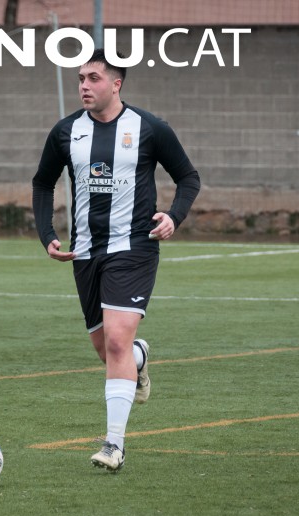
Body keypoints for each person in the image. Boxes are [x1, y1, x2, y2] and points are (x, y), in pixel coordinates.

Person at [31, 49, 201, 471]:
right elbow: (42, 184)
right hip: (85, 252)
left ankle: (114, 445)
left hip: (135, 248)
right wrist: (47, 235)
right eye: (80, 79)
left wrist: (173, 216)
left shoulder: (149, 128)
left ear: (116, 84)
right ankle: (138, 359)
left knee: (116, 341)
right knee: (108, 349)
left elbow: (188, 177)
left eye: (93, 78)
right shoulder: (66, 131)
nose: (84, 86)